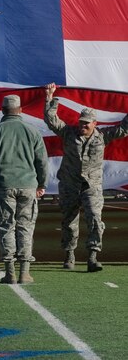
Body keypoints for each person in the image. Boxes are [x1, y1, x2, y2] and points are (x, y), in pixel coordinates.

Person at [44, 83, 128, 272]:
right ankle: (69, 254)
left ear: (94, 124)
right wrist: (50, 99)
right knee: (69, 221)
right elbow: (51, 121)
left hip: (92, 186)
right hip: (70, 184)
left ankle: (92, 255)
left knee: (95, 220)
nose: (82, 125)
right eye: (81, 122)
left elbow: (124, 128)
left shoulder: (103, 136)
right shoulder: (68, 133)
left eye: (86, 123)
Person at [0, 95, 48, 284]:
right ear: (20, 110)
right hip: (28, 186)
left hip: (3, 186)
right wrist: (42, 184)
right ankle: (25, 272)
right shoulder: (32, 132)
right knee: (25, 227)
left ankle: (9, 272)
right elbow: (42, 162)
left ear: (2, 111)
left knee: (6, 227)